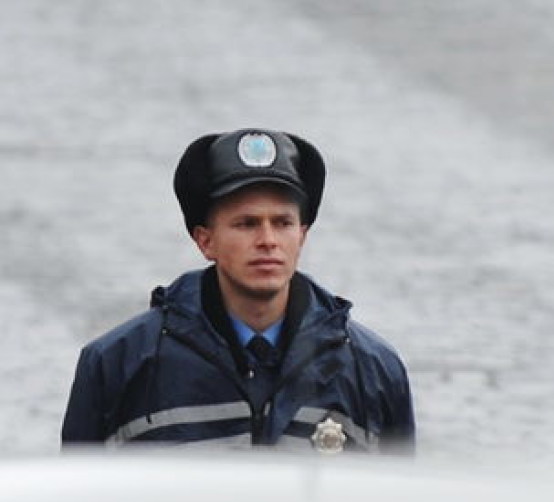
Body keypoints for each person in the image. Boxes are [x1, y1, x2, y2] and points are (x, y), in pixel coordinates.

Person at [61, 128, 415, 453]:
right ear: (206, 241)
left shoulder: (374, 370)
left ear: (302, 236)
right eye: (246, 224)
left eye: (282, 223)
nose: (267, 241)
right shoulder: (117, 366)